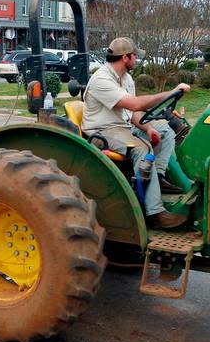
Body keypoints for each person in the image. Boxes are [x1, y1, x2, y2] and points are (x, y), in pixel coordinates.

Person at [82, 37, 194, 229]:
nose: (137, 59)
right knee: (142, 149)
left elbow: (133, 113)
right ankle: (155, 213)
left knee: (165, 132)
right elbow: (135, 104)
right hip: (101, 131)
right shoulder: (101, 80)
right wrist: (171, 92)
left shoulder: (126, 79)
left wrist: (149, 128)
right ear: (125, 57)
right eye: (135, 56)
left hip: (122, 127)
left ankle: (157, 177)